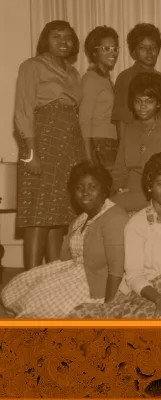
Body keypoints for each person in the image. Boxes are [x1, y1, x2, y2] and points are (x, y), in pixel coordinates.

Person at [69, 152, 161, 319]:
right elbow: (134, 277)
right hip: (144, 295)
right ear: (150, 186)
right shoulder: (137, 224)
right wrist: (160, 301)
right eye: (160, 184)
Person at [1, 162, 129, 318]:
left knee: (37, 304)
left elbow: (117, 269)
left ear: (105, 190)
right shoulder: (82, 218)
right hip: (74, 271)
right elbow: (68, 256)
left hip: (94, 282)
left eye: (92, 187)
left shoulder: (114, 218)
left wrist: (108, 308)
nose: (85, 193)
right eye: (79, 188)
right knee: (16, 287)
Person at [14, 20, 85, 271]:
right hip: (42, 142)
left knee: (60, 214)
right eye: (56, 37)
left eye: (68, 37)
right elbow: (23, 111)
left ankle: (51, 279)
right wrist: (31, 154)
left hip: (69, 145)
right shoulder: (32, 66)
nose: (63, 42)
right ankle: (30, 278)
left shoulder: (74, 73)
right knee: (38, 212)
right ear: (46, 40)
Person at [110, 73, 161, 213]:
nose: (142, 106)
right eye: (138, 101)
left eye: (149, 101)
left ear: (158, 103)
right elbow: (119, 170)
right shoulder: (130, 129)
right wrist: (114, 191)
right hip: (127, 191)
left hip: (154, 194)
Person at [112, 23, 161, 140]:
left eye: (153, 47)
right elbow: (121, 120)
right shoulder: (125, 77)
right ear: (134, 51)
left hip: (159, 140)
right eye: (142, 47)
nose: (149, 51)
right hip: (133, 141)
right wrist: (125, 150)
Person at [80, 26, 120, 169]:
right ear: (94, 52)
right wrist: (88, 158)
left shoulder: (107, 80)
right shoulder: (91, 79)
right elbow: (84, 121)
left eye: (115, 49)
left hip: (109, 142)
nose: (113, 53)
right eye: (106, 48)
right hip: (99, 144)